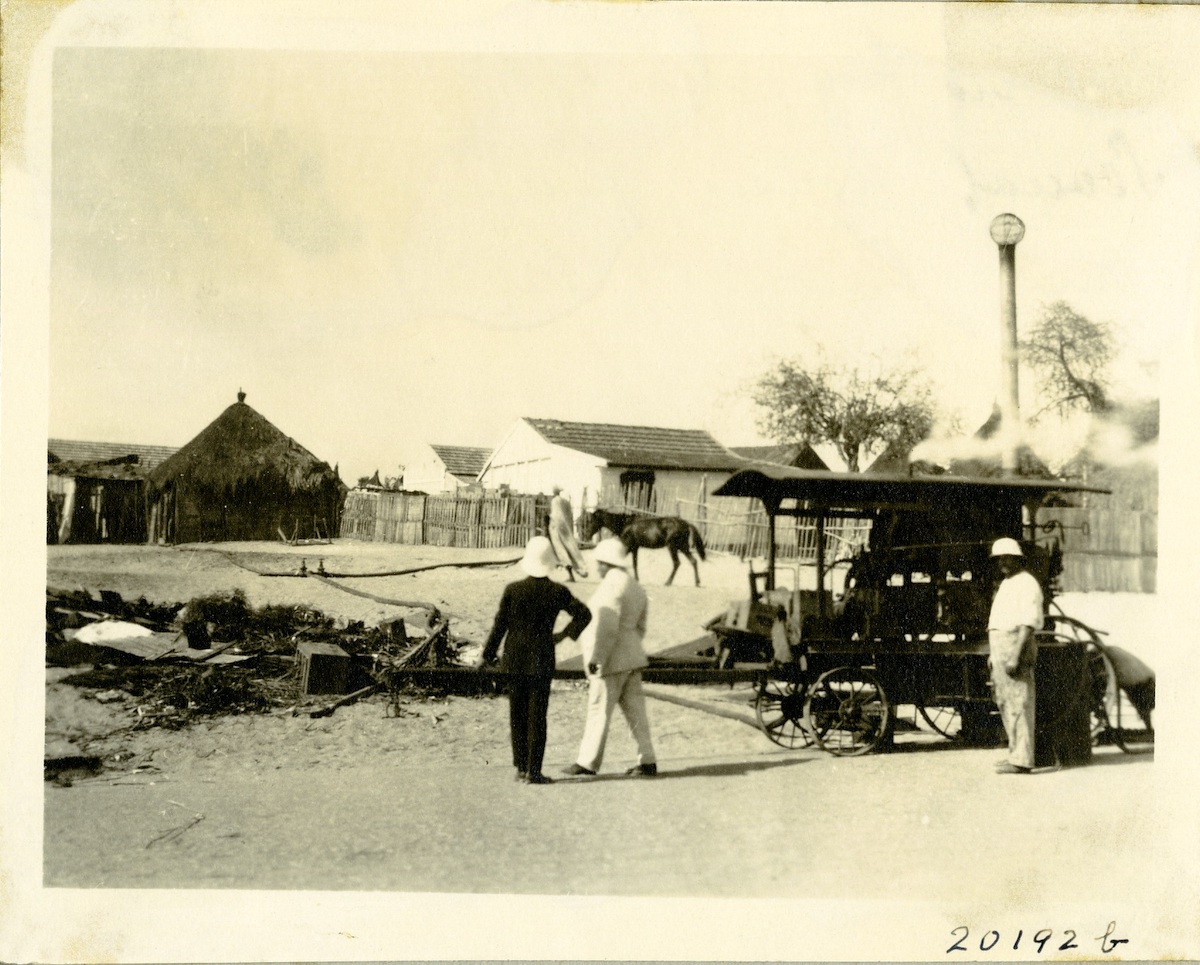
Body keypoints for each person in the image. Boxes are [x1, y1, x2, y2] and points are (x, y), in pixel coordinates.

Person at [478, 536, 592, 785]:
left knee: (516, 713)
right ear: (550, 563)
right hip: (541, 657)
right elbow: (585, 614)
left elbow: (500, 626)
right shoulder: (558, 591)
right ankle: (534, 771)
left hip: (514, 659)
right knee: (537, 716)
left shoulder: (513, 590)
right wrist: (563, 635)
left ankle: (520, 767)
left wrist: (487, 656)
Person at [562, 537, 658, 778]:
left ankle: (587, 762)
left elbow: (607, 625)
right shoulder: (634, 585)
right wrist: (631, 646)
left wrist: (598, 656)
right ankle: (647, 760)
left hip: (611, 659)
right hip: (633, 657)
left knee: (598, 710)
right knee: (637, 713)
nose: (596, 566)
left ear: (606, 562)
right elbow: (641, 626)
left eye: (599, 562)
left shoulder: (611, 586)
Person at [987, 537, 1044, 774]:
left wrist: (1014, 655)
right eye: (1000, 559)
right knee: (1005, 701)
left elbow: (1027, 624)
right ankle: (1015, 754)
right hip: (1001, 647)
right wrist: (994, 654)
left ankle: (1022, 759)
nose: (1003, 562)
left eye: (1008, 558)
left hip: (1014, 646)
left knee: (1019, 701)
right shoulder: (1007, 583)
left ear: (1018, 559)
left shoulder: (1027, 583)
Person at [547, 486, 588, 582]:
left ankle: (572, 575)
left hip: (557, 528)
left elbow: (557, 515)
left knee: (561, 551)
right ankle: (580, 569)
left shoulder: (555, 501)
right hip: (565, 528)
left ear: (554, 492)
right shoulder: (564, 501)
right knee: (570, 548)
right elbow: (568, 514)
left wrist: (553, 524)